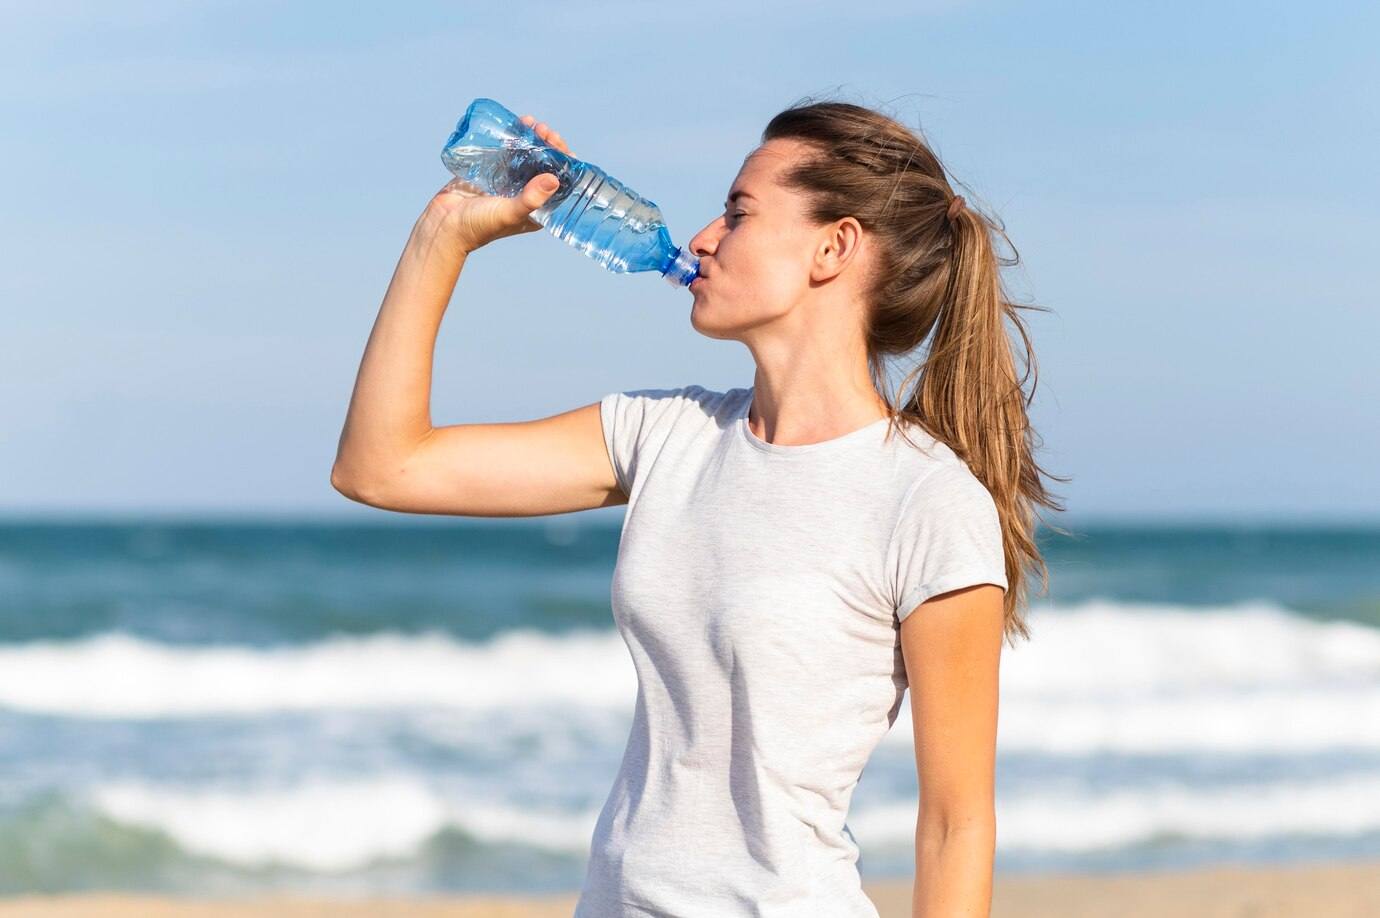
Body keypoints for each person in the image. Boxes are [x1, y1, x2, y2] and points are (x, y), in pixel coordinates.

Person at [332, 98, 1066, 917]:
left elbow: (956, 824)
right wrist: (444, 238)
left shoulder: (925, 500)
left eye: (737, 213)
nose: (704, 237)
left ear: (834, 247)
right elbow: (382, 467)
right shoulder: (664, 435)